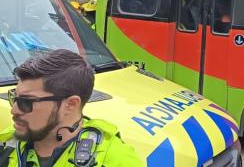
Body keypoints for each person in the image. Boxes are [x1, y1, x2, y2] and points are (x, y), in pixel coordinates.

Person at [0, 49, 144, 166]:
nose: (14, 110)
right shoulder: (6, 142)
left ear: (71, 104)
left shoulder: (116, 160)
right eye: (14, 97)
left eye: (26, 102)